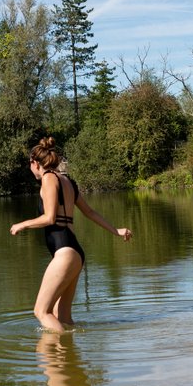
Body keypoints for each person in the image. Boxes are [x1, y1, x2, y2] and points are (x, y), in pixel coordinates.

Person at [11, 137, 132, 332]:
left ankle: (62, 349)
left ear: (34, 163)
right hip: (75, 252)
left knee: (41, 312)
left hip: (64, 252)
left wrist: (22, 224)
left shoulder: (49, 178)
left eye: (30, 165)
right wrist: (115, 230)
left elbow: (50, 218)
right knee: (63, 318)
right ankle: (68, 359)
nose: (30, 169)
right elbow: (90, 212)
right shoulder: (68, 181)